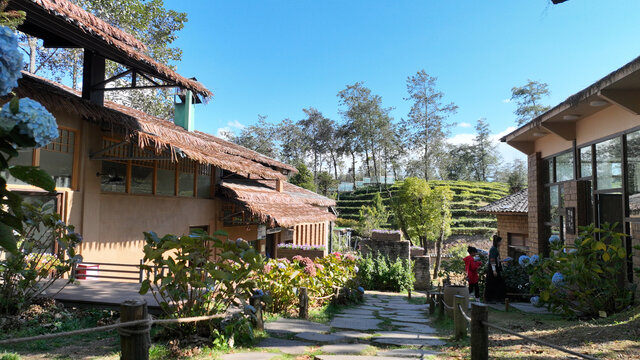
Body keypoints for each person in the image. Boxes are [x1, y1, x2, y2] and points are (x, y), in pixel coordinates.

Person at [484, 235, 505, 303]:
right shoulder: (493, 249)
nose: (501, 243)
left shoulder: (495, 249)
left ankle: (495, 298)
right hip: (493, 270)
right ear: (498, 242)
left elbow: (496, 260)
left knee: (496, 284)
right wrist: (494, 270)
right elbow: (492, 260)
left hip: (495, 268)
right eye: (501, 242)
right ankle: (490, 299)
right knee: (492, 284)